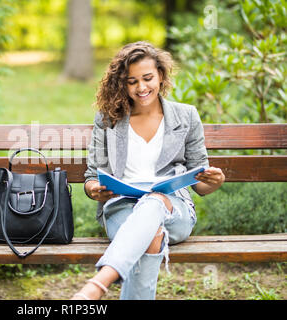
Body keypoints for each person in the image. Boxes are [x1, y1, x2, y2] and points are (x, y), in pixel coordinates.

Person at [72, 41, 225, 300]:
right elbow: (91, 178)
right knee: (151, 233)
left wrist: (215, 181)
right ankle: (98, 286)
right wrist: (95, 190)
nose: (141, 88)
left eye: (147, 78)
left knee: (153, 202)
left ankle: (99, 283)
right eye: (132, 81)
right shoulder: (108, 118)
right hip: (122, 208)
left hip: (173, 210)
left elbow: (201, 185)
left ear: (161, 76)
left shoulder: (186, 116)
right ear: (122, 83)